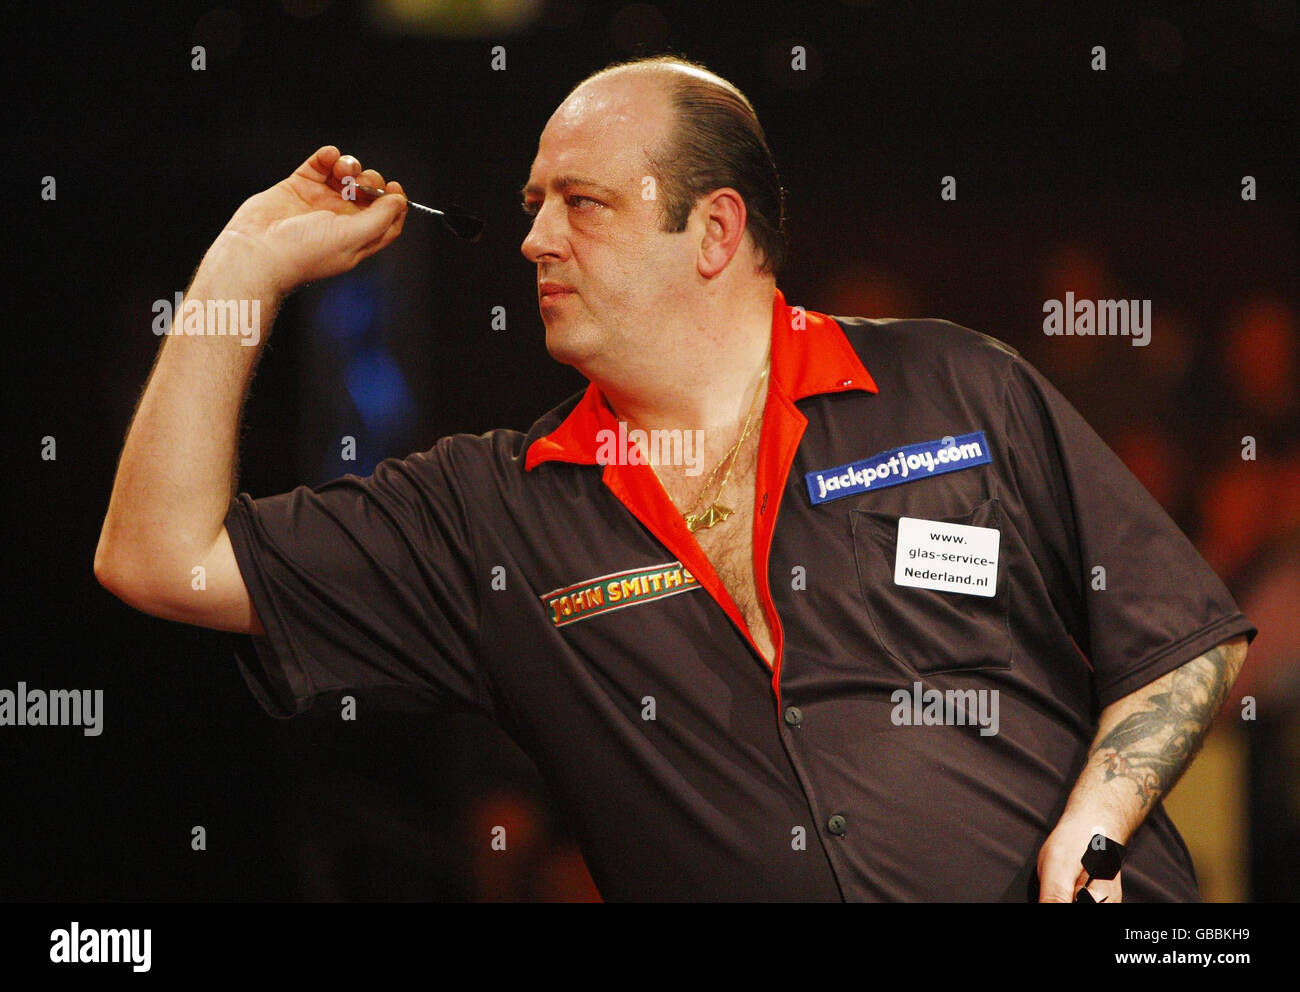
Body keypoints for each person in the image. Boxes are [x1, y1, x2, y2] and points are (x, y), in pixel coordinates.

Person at [95, 55, 1255, 902]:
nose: (534, 239)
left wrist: (1094, 835)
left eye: (580, 204)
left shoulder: (956, 384)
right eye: (532, 207)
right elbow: (159, 559)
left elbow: (1182, 634)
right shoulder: (489, 510)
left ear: (712, 231)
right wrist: (238, 267)